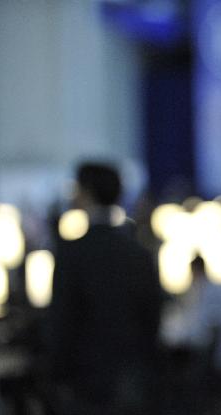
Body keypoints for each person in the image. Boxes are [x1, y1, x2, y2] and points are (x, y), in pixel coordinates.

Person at [45, 162, 162, 414]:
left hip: (85, 384)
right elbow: (153, 316)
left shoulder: (72, 254)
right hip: (133, 380)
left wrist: (55, 376)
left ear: (86, 193)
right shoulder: (139, 253)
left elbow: (61, 322)